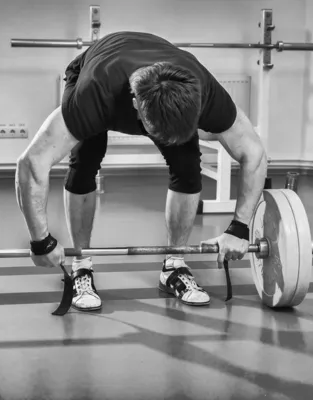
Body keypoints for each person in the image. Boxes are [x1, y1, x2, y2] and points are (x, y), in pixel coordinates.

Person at [15, 31, 267, 311]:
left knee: (187, 164)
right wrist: (40, 242)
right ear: (135, 106)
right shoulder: (93, 95)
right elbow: (31, 163)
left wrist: (239, 228)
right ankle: (81, 265)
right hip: (95, 67)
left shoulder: (204, 91)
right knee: (85, 160)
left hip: (156, 75)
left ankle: (174, 265)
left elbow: (253, 152)